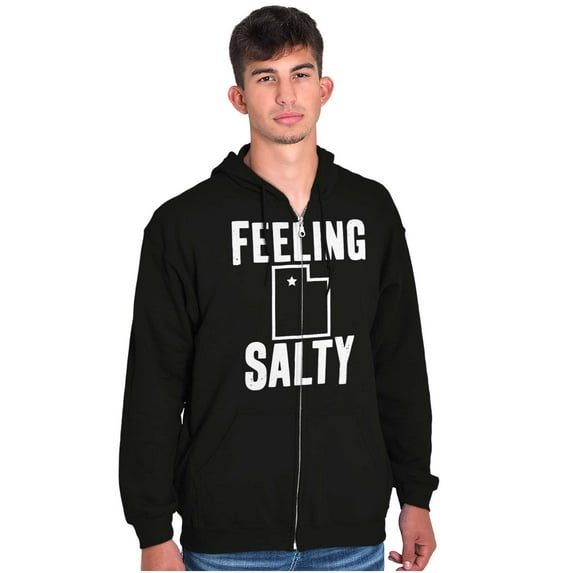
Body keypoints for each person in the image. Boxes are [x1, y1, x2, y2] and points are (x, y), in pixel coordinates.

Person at [119, 5, 439, 571]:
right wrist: (152, 531)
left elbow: (399, 362)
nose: (286, 95)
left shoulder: (371, 211)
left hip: (350, 538)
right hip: (225, 543)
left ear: (325, 88)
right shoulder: (185, 225)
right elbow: (154, 385)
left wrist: (416, 495)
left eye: (300, 74)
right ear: (239, 97)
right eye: (266, 77)